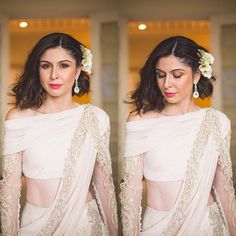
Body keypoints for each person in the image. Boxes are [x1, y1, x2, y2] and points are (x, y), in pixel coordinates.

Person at [0, 32, 118, 235]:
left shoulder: (96, 118)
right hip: (35, 224)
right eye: (46, 66)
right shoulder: (19, 118)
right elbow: (10, 186)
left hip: (85, 225)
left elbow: (103, 183)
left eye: (64, 65)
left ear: (78, 71)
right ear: (37, 70)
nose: (54, 75)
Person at [120, 35, 236, 235]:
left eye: (177, 74)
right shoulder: (139, 121)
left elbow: (223, 186)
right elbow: (131, 189)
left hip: (207, 226)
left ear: (196, 75)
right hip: (156, 227)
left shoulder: (217, 122)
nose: (167, 84)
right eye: (161, 74)